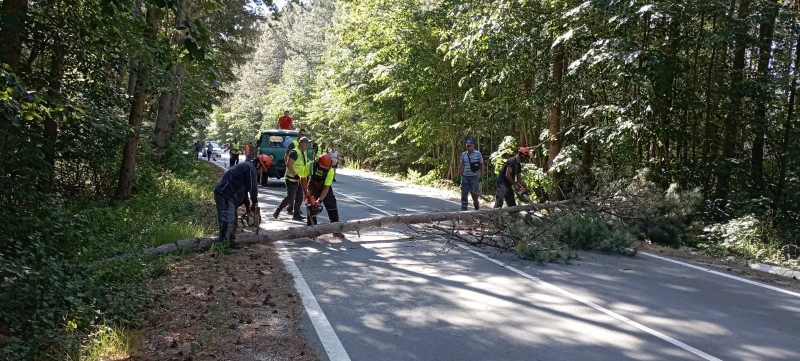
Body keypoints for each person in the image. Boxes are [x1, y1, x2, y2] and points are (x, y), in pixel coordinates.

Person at [214, 154, 271, 247]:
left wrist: (248, 206)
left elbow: (245, 191)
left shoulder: (247, 168)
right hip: (225, 194)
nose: (261, 172)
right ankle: (222, 245)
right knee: (227, 220)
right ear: (259, 165)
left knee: (234, 220)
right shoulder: (250, 168)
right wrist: (255, 202)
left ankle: (230, 242)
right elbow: (253, 187)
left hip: (230, 196)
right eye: (262, 169)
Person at [304, 154, 344, 237]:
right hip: (312, 187)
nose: (322, 170)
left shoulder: (330, 171)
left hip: (324, 188)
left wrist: (320, 200)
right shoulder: (310, 165)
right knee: (311, 207)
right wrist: (306, 194)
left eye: (324, 168)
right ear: (318, 161)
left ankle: (336, 229)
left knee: (332, 207)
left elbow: (326, 187)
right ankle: (311, 230)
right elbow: (303, 178)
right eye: (321, 167)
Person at [274, 136, 311, 221]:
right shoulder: (294, 152)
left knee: (299, 197)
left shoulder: (303, 152)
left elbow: (304, 164)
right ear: (301, 144)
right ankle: (277, 210)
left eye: (307, 144)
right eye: (305, 144)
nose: (307, 146)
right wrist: (295, 175)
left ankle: (296, 215)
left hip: (300, 178)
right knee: (290, 197)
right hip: (291, 178)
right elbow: (289, 165)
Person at [284, 128, 307, 214]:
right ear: (298, 135)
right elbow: (286, 156)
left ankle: (297, 210)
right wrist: (289, 168)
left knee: (299, 194)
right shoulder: (293, 144)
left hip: (301, 173)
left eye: (305, 135)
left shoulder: (305, 144)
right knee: (292, 194)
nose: (303, 136)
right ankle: (290, 208)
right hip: (292, 173)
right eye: (302, 134)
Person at [458, 139, 484, 211]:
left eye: (470, 146)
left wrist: (481, 175)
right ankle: (464, 209)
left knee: (474, 193)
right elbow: (461, 165)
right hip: (465, 176)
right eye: (467, 146)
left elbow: (481, 165)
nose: (468, 147)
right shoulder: (464, 154)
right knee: (464, 193)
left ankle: (476, 206)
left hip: (474, 177)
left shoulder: (478, 154)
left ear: (473, 146)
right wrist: (459, 175)